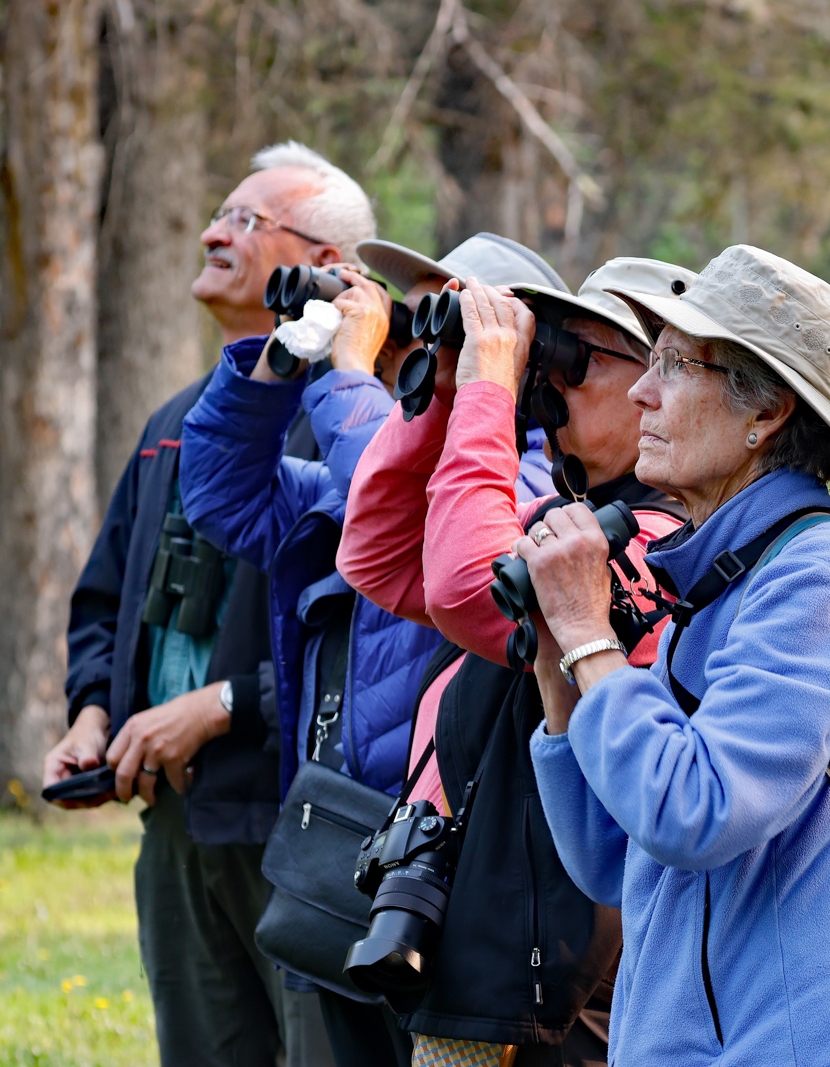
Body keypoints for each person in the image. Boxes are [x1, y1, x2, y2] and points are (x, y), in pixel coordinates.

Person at [509, 244, 830, 1066]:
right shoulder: (718, 580)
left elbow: (693, 812)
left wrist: (593, 636)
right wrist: (558, 661)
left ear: (764, 411)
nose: (640, 390)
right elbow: (610, 854)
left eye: (672, 362)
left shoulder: (824, 574)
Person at [43, 141, 372, 1067]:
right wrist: (95, 709)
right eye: (220, 214)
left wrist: (223, 706)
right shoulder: (176, 422)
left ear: (329, 269)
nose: (210, 232)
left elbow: (373, 632)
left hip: (300, 822)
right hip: (178, 825)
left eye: (244, 221)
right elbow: (106, 593)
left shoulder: (358, 425)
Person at [338, 257, 689, 1067]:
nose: (553, 379)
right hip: (505, 937)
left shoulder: (663, 550)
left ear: (666, 388)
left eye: (582, 359)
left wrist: (496, 390)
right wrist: (454, 390)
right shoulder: (574, 524)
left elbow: (467, 589)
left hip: (567, 973)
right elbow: (383, 557)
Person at [177, 241, 469, 1063]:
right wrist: (279, 359)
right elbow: (221, 496)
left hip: (447, 882)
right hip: (334, 859)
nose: (403, 359)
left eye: (428, 333)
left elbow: (416, 497)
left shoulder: (525, 481)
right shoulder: (355, 479)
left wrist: (349, 369)